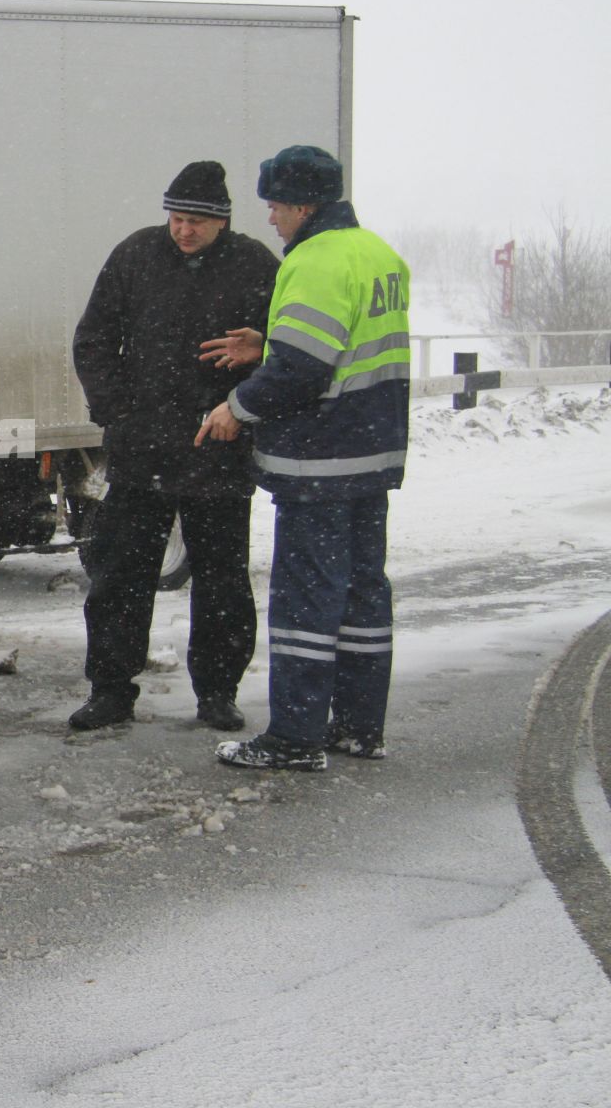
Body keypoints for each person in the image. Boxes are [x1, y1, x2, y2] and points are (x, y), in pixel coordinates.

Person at [196, 145, 410, 771]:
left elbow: (303, 371)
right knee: (363, 594)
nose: (271, 220)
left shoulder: (315, 260)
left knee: (306, 598)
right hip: (371, 452)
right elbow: (346, 347)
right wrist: (267, 343)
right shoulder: (377, 253)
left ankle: (294, 737)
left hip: (322, 459)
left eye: (275, 207)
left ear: (301, 204)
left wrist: (237, 406)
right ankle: (359, 726)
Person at [69, 161, 280, 732]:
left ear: (223, 222)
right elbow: (92, 339)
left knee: (223, 583)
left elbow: (287, 349)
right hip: (143, 453)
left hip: (219, 449)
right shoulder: (135, 255)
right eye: (176, 218)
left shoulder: (256, 264)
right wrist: (116, 410)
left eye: (196, 221)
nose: (183, 231)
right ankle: (110, 691)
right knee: (119, 577)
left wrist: (255, 367)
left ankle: (217, 693)